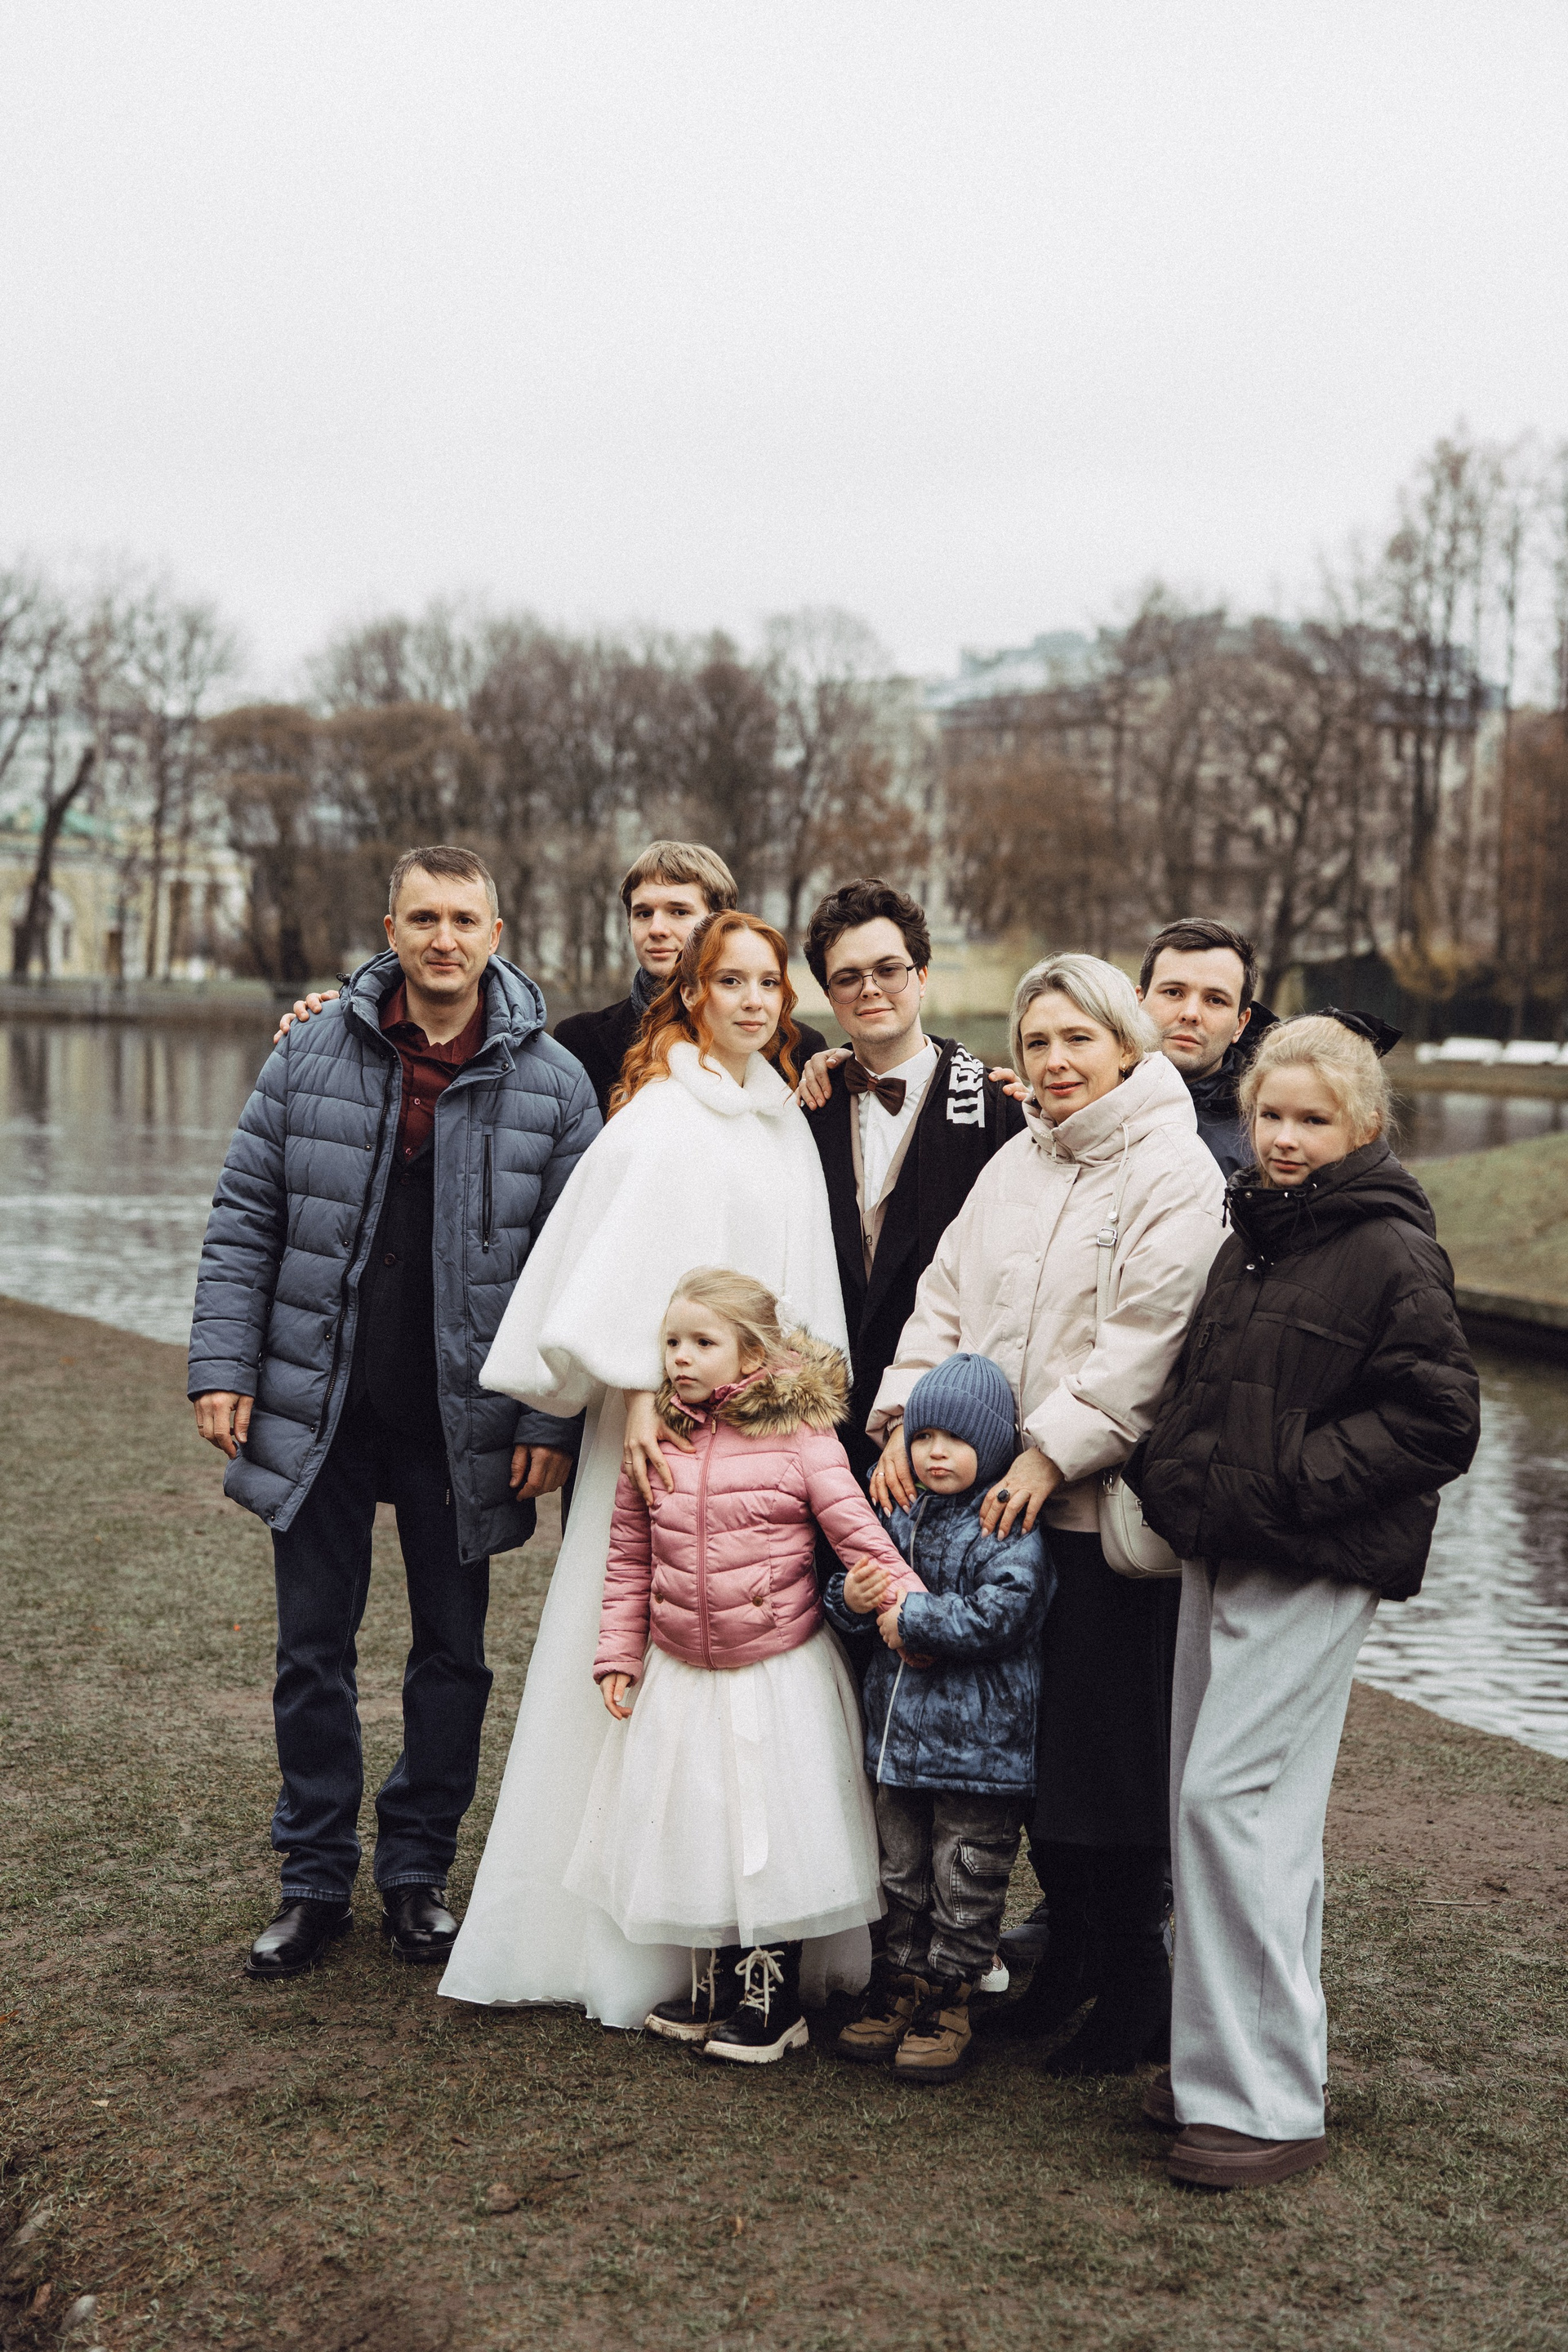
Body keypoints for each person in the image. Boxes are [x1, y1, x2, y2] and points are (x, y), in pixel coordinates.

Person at [435, 910, 862, 2029]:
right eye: (732, 982)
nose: (754, 1001)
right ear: (694, 993)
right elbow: (610, 1278)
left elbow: (801, 1294)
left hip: (761, 1446)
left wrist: (790, 1405)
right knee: (643, 1661)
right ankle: (627, 1941)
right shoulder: (662, 1118)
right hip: (663, 1443)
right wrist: (636, 1392)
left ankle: (752, 1936)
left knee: (755, 1688)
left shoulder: (781, 1117)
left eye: (770, 984)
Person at [189, 847, 599, 1980]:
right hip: (320, 1402)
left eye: (464, 919)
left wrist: (548, 1423)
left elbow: (574, 1273)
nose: (443, 938)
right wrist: (222, 1367)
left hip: (461, 1420)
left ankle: (418, 1874)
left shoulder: (554, 1083)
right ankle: (313, 1880)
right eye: (424, 918)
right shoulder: (310, 1051)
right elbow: (244, 1218)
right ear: (392, 930)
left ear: (497, 934)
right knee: (311, 1652)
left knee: (452, 1655)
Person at [1126, 1012, 1479, 2189]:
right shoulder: (1259, 1229)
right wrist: (1182, 1472)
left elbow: (1439, 1420)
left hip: (1308, 1559)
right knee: (1221, 1812)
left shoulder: (1390, 1249)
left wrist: (1287, 1485)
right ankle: (1217, 2068)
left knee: (1233, 1806)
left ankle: (1267, 2103)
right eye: (1270, 1114)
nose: (1283, 1137)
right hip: (1224, 1548)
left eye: (1311, 1119)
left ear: (1363, 1124)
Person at [869, 953, 1226, 2074]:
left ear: (1126, 1044)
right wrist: (905, 1413)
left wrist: (1047, 1450)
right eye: (1037, 1043)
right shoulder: (1017, 1161)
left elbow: (1150, 1337)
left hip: (1093, 1511)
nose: (1057, 1061)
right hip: (993, 1516)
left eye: (1079, 1039)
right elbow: (943, 1297)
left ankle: (1137, 1983)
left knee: (1102, 1765)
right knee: (1031, 1759)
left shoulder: (1173, 1166)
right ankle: (1066, 1962)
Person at [581, 1269, 916, 2061]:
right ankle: (718, 1978)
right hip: (683, 1671)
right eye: (672, 1342)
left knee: (767, 1829)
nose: (681, 1357)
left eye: (703, 1342)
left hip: (774, 1670)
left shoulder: (802, 1438)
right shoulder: (657, 1436)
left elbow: (859, 1535)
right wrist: (619, 1651)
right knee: (700, 1819)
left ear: (754, 1354)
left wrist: (910, 1610)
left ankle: (773, 1992)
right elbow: (629, 1557)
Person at [825, 1352, 1049, 2084]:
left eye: (956, 1439)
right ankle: (900, 1983)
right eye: (923, 1437)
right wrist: (850, 1601)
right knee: (900, 1872)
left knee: (966, 1874)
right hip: (897, 1745)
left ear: (993, 1445)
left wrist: (916, 1617)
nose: (935, 1452)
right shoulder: (893, 1512)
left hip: (979, 1752)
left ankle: (951, 1995)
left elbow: (1006, 1612)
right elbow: (855, 1595)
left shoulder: (1006, 1523)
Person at [271, 838, 829, 1120]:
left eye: (678, 912)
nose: (657, 929)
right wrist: (345, 1015)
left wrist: (845, 1064)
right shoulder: (580, 1041)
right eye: (642, 913)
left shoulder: (796, 1048)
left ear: (719, 919)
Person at [795, 879, 1024, 1488]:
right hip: (824, 1424)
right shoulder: (806, 1108)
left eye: (888, 970)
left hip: (946, 1429)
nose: (869, 988)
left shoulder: (997, 1109)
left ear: (921, 976)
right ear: (830, 996)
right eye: (848, 978)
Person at [1136, 917, 1277, 1178]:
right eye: (1173, 992)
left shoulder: (1267, 1139)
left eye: (1215, 1000)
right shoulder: (1082, 1098)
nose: (1190, 1014)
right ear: (1139, 1001)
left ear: (1240, 1024)